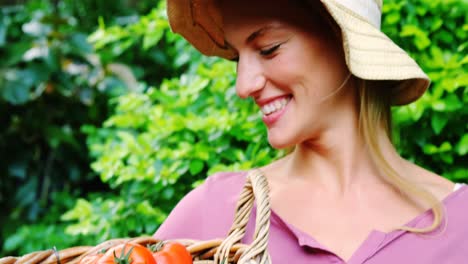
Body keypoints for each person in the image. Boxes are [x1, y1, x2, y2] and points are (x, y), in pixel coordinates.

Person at [155, 0, 468, 263]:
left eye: (268, 49)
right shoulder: (213, 211)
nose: (243, 85)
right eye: (237, 57)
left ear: (341, 39)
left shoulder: (462, 224)